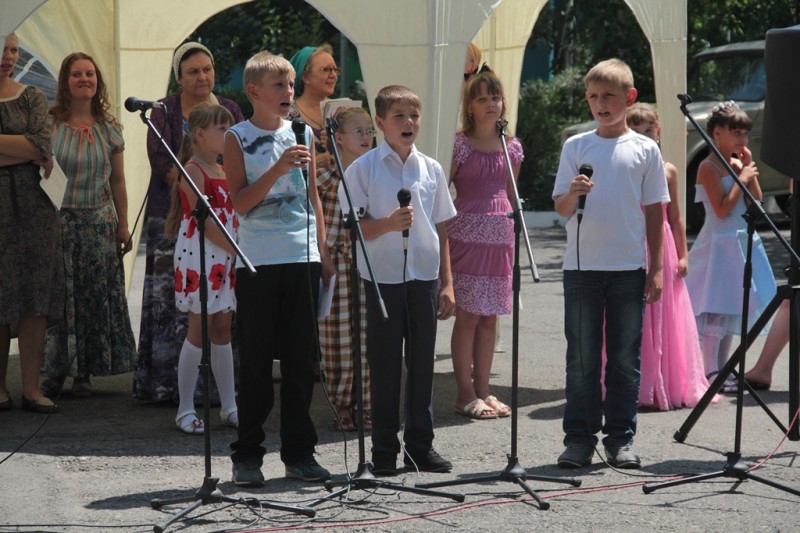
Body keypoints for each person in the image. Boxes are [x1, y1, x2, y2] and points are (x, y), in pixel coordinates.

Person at [224, 51, 334, 487]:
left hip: (302, 258)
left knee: (301, 363)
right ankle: (248, 455)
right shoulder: (238, 137)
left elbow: (313, 201)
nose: (289, 93)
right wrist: (278, 166)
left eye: (291, 85)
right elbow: (241, 204)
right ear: (254, 92)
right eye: (279, 86)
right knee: (254, 364)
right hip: (258, 261)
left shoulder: (302, 132)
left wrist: (323, 253)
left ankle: (300, 453)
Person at [552, 59, 669, 469]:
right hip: (581, 269)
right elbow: (561, 209)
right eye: (594, 97)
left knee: (623, 358)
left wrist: (655, 268)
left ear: (629, 98)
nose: (600, 103)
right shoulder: (576, 147)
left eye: (609, 96)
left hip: (627, 268)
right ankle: (579, 439)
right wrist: (573, 192)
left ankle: (621, 438)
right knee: (581, 358)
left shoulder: (645, 149)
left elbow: (656, 212)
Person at [341, 85, 457, 476]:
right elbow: (354, 228)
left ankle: (420, 447)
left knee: (423, 366)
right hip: (383, 280)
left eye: (414, 116)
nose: (408, 123)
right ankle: (384, 451)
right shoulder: (364, 168)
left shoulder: (432, 168)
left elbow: (441, 228)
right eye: (399, 116)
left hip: (423, 277)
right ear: (380, 123)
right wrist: (388, 224)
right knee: (386, 367)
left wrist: (448, 282)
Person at [133, 42, 244, 404]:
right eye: (193, 71)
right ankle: (169, 389)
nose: (202, 76)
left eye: (207, 69)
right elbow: (161, 160)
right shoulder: (162, 111)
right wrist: (194, 191)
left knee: (220, 316)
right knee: (172, 308)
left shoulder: (228, 110)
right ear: (179, 77)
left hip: (223, 220)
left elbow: (241, 159)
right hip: (177, 220)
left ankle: (220, 395)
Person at [38, 53, 137, 399]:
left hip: (99, 223)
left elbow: (119, 181)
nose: (84, 79)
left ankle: (85, 374)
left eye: (90, 74)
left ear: (98, 81)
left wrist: (123, 225)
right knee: (60, 301)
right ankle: (51, 373)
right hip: (58, 222)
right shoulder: (48, 124)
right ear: (65, 81)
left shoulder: (109, 127)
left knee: (94, 300)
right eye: (77, 74)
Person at [623, 103, 713, 410]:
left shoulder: (669, 170)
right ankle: (636, 383)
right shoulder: (625, 167)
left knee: (664, 315)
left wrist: (684, 255)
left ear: (658, 132)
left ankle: (665, 380)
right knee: (633, 315)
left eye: (648, 130)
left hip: (663, 246)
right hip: (633, 242)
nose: (643, 136)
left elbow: (675, 217)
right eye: (635, 130)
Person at [685, 101, 777, 392]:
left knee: (733, 307)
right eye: (736, 132)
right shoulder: (708, 166)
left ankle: (725, 367)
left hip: (740, 240)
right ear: (716, 133)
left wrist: (748, 168)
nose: (741, 139)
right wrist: (741, 178)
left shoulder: (738, 164)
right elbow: (722, 209)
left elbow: (755, 203)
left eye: (745, 134)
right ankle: (709, 369)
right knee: (715, 309)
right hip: (719, 243)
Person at [447, 69, 520, 420]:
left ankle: (484, 390)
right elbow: (443, 190)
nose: (491, 104)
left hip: (501, 239)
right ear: (470, 106)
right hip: (466, 237)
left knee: (491, 318)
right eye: (482, 98)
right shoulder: (459, 144)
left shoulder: (512, 146)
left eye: (495, 97)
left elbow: (510, 193)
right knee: (469, 316)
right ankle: (464, 393)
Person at [164, 103, 238, 434]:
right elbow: (203, 221)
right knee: (199, 330)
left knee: (223, 329)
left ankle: (230, 406)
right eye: (222, 129)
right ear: (201, 134)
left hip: (224, 256)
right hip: (203, 255)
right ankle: (184, 410)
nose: (229, 135)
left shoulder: (223, 169)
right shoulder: (193, 170)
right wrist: (235, 247)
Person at [0, 33, 63, 414]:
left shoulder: (33, 96)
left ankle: (31, 388)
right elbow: (30, 150)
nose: (7, 57)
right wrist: (20, 150)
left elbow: (42, 146)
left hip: (35, 211)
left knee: (34, 299)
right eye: (1, 50)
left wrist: (27, 150)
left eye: (12, 51)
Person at [319, 106, 375, 432]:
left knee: (369, 339)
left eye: (369, 130)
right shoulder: (325, 179)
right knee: (337, 340)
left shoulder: (375, 175)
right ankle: (341, 405)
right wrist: (323, 259)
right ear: (338, 138)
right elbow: (315, 222)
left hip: (369, 261)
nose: (366, 136)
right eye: (359, 131)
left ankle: (366, 405)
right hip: (336, 264)